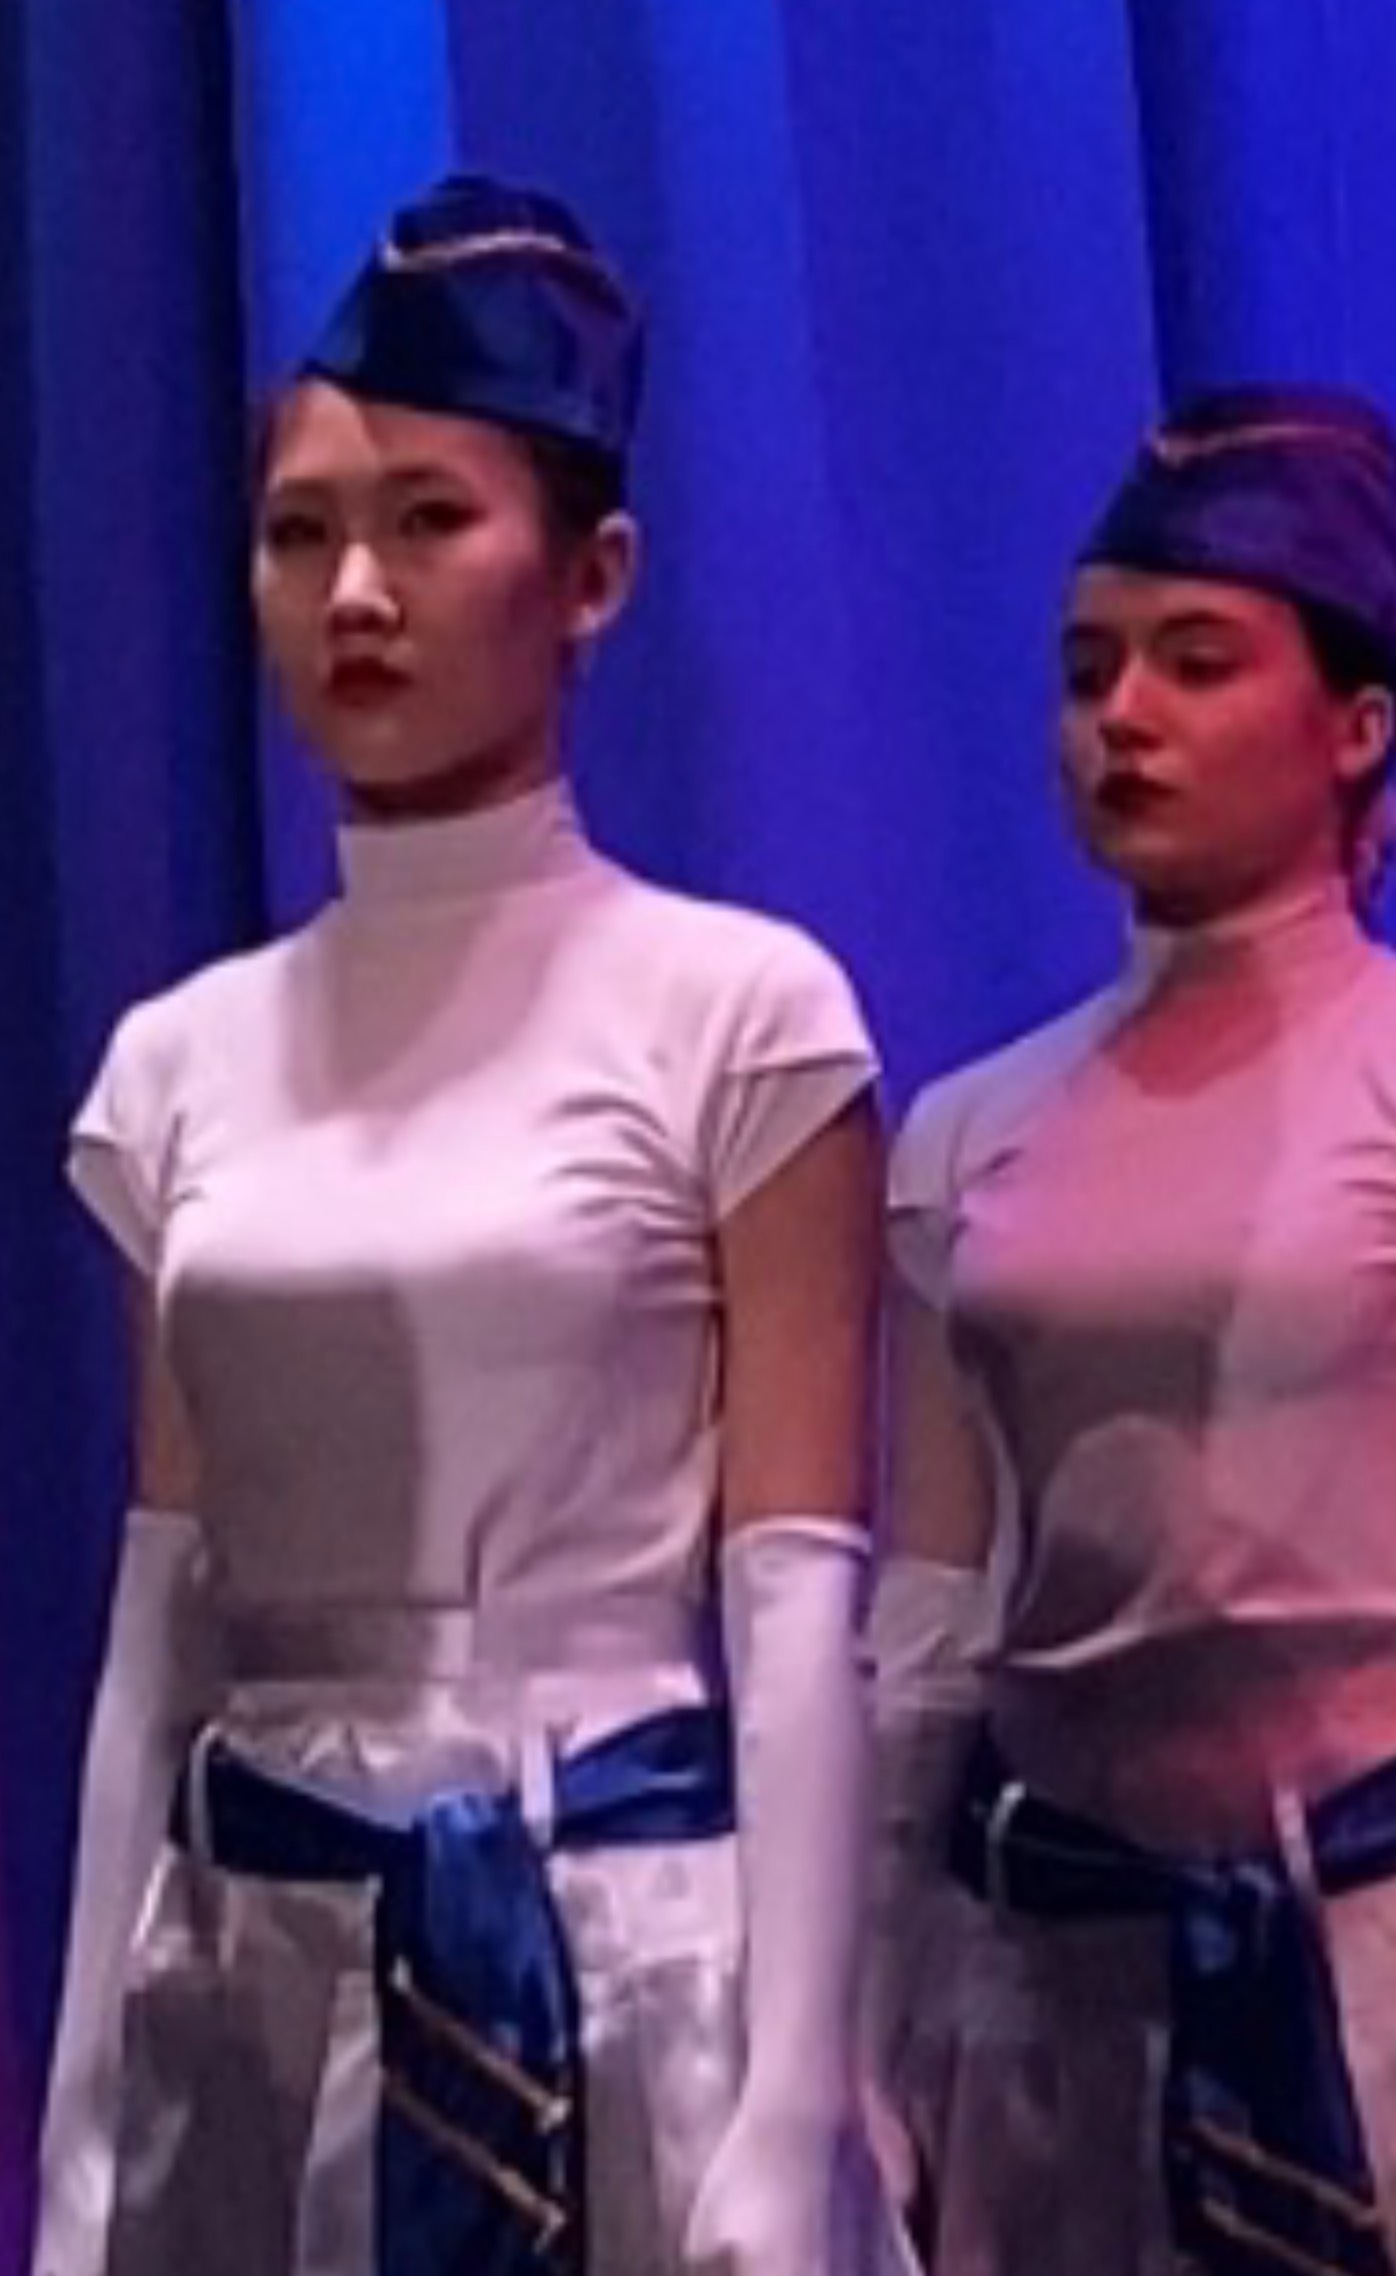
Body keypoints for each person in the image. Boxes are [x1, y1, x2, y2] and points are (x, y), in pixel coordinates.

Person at [39, 174, 898, 2275]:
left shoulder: (735, 1010)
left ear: (592, 575)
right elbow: (160, 1617)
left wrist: (795, 2106)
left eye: (429, 522)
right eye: (301, 533)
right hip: (259, 1967)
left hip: (619, 1954)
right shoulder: (178, 1062)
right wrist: (76, 2121)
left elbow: (796, 1596)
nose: (356, 591)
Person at [870, 385, 1396, 2276]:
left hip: (1375, 1968)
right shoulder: (969, 1128)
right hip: (1046, 1982)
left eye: (1196, 663)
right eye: (1089, 672)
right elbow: (928, 1630)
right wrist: (861, 2038)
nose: (1123, 715)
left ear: (1354, 725)